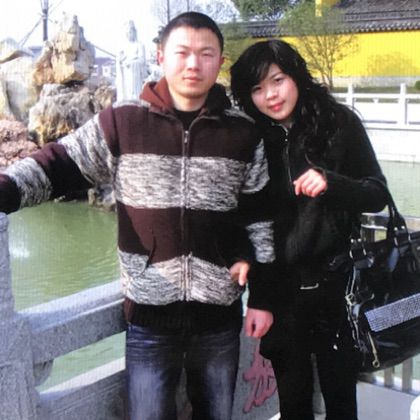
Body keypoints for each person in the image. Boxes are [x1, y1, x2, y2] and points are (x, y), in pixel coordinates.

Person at [0, 12, 275, 420]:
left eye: (206, 54)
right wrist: (6, 191)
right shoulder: (123, 121)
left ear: (220, 61)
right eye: (182, 52)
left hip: (219, 317)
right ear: (160, 55)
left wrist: (263, 297)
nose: (193, 64)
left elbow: (260, 217)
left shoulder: (242, 133)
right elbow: (56, 165)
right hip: (149, 319)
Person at [230, 39, 388, 420]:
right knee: (293, 406)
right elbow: (242, 217)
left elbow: (377, 193)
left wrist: (333, 183)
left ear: (296, 76)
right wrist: (254, 286)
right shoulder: (250, 139)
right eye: (257, 88)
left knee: (342, 404)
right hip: (280, 295)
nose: (270, 95)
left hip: (338, 291)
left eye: (278, 80)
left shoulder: (338, 123)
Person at [116, 20, 148, 101]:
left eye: (130, 32)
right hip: (126, 74)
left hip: (135, 74)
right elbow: (120, 60)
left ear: (134, 32)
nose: (128, 34)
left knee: (135, 96)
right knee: (126, 93)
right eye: (127, 32)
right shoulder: (123, 46)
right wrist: (120, 60)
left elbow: (142, 60)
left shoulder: (139, 45)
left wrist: (132, 63)